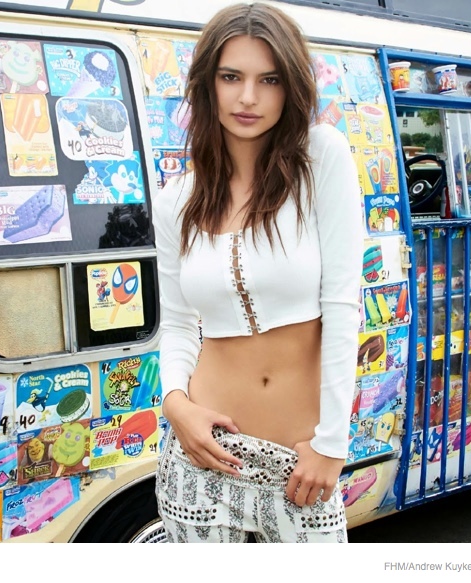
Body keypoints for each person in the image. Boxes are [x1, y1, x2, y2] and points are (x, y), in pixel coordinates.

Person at [153, 2, 362, 543]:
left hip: (300, 465)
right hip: (202, 457)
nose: (248, 98)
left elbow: (343, 305)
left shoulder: (322, 159)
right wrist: (177, 408)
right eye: (231, 77)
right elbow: (177, 324)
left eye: (268, 79)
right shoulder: (177, 198)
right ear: (207, 84)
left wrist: (331, 444)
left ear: (290, 87)